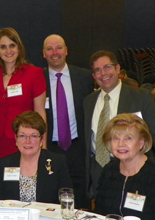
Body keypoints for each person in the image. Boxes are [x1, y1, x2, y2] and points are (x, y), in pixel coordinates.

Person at [84, 50, 155, 199]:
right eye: (97, 70)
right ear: (93, 76)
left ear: (117, 68)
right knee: (104, 215)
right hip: (98, 170)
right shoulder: (88, 101)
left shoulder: (140, 97)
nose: (103, 73)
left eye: (107, 67)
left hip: (134, 170)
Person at [0, 27, 47, 199]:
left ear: (19, 48)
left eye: (12, 45)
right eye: (3, 47)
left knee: (22, 185)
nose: (8, 51)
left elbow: (40, 111)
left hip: (24, 141)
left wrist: (43, 144)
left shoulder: (34, 73)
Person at [42, 34, 94, 209]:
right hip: (50, 147)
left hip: (78, 146)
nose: (55, 52)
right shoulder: (37, 79)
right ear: (43, 53)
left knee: (80, 197)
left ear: (66, 51)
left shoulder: (85, 77)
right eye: (49, 49)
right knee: (51, 196)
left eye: (59, 48)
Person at [0, 111, 72, 203]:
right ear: (16, 138)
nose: (27, 141)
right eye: (22, 135)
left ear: (42, 139)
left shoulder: (57, 162)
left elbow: (66, 200)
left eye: (33, 136)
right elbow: (1, 203)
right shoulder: (5, 163)